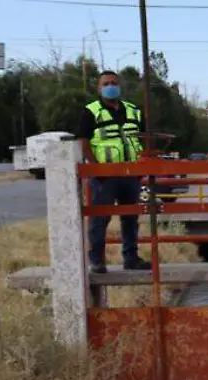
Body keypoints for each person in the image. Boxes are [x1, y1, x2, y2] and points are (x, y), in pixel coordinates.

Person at [77, 70, 150, 273]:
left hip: (131, 174)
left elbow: (144, 138)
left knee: (131, 218)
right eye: (106, 83)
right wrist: (95, 169)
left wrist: (142, 164)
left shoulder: (133, 110)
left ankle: (131, 259)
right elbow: (83, 142)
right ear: (99, 88)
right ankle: (97, 261)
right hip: (104, 176)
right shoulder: (91, 111)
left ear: (120, 86)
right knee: (100, 219)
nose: (111, 86)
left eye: (114, 83)